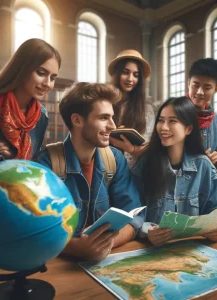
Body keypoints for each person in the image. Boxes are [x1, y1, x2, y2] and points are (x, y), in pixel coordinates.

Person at [35, 82, 143, 262]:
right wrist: (75, 248)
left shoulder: (114, 160)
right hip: (58, 267)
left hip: (105, 261)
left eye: (112, 117)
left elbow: (135, 215)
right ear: (77, 120)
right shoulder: (46, 164)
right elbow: (34, 229)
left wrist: (104, 243)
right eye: (103, 118)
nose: (112, 126)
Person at [131, 96, 217, 246]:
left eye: (172, 121)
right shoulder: (145, 164)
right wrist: (147, 231)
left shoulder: (203, 166)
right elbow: (131, 212)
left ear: (189, 129)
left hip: (193, 251)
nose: (164, 127)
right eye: (161, 120)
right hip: (154, 252)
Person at [0, 38, 61, 163]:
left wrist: (10, 156)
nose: (47, 84)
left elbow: (31, 165)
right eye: (41, 73)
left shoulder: (41, 115)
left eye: (52, 78)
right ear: (22, 68)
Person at [108, 49, 155, 168]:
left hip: (134, 171)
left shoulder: (146, 110)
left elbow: (149, 148)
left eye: (136, 75)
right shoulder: (105, 103)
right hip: (105, 167)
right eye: (125, 72)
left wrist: (132, 149)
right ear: (117, 74)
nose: (130, 79)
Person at [187, 58, 217, 166]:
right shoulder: (173, 114)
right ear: (188, 83)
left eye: (207, 87)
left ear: (216, 88)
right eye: (195, 85)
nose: (200, 92)